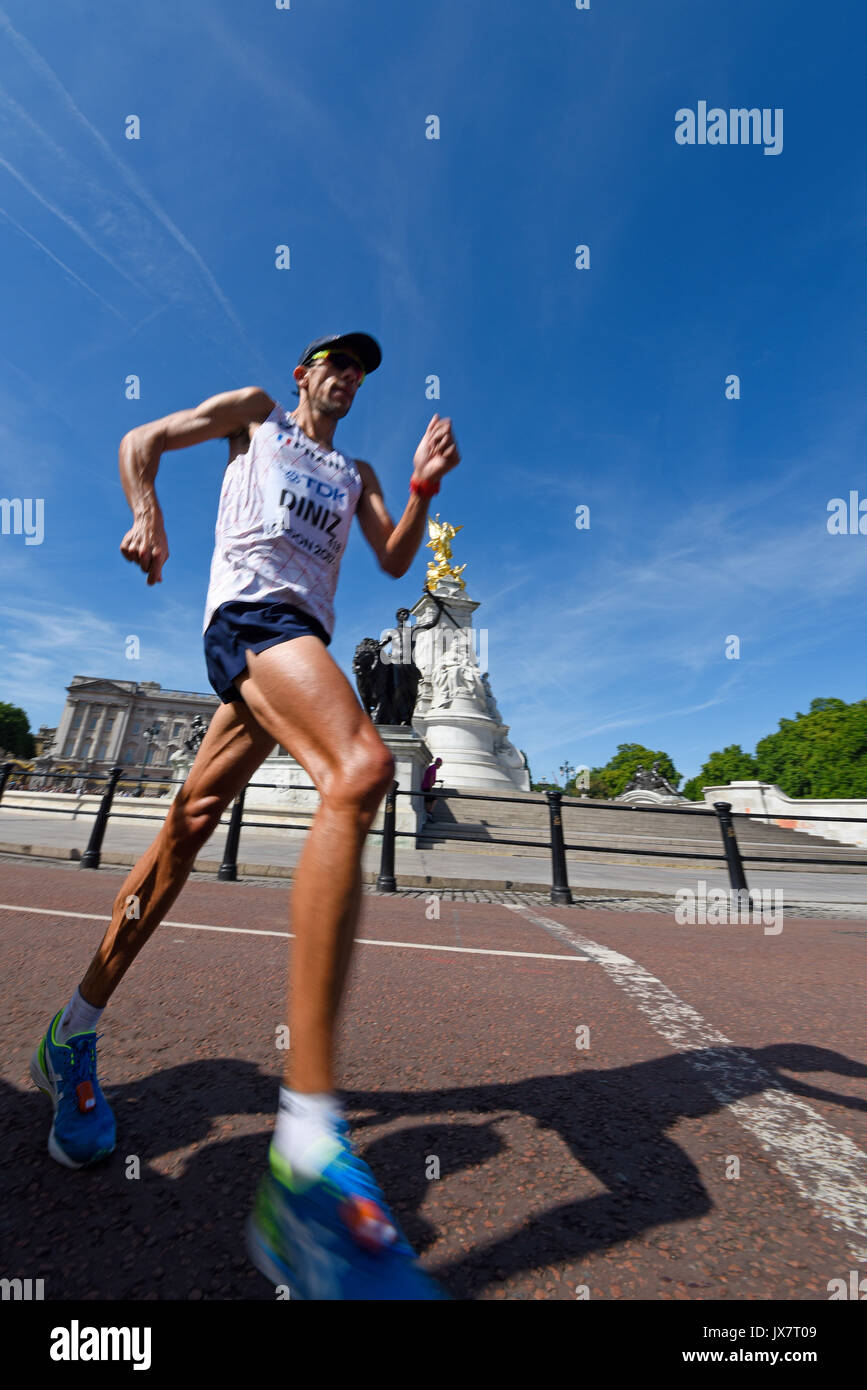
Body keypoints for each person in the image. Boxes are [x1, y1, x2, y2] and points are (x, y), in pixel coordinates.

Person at [30, 332, 460, 1299]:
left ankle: (72, 1030)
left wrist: (424, 487)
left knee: (183, 833)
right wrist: (148, 517)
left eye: (360, 369)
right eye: (334, 363)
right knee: (357, 769)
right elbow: (141, 439)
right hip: (250, 621)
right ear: (305, 373)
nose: (346, 376)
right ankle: (307, 1148)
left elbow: (393, 560)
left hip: (296, 639)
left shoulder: (357, 469)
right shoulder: (256, 416)